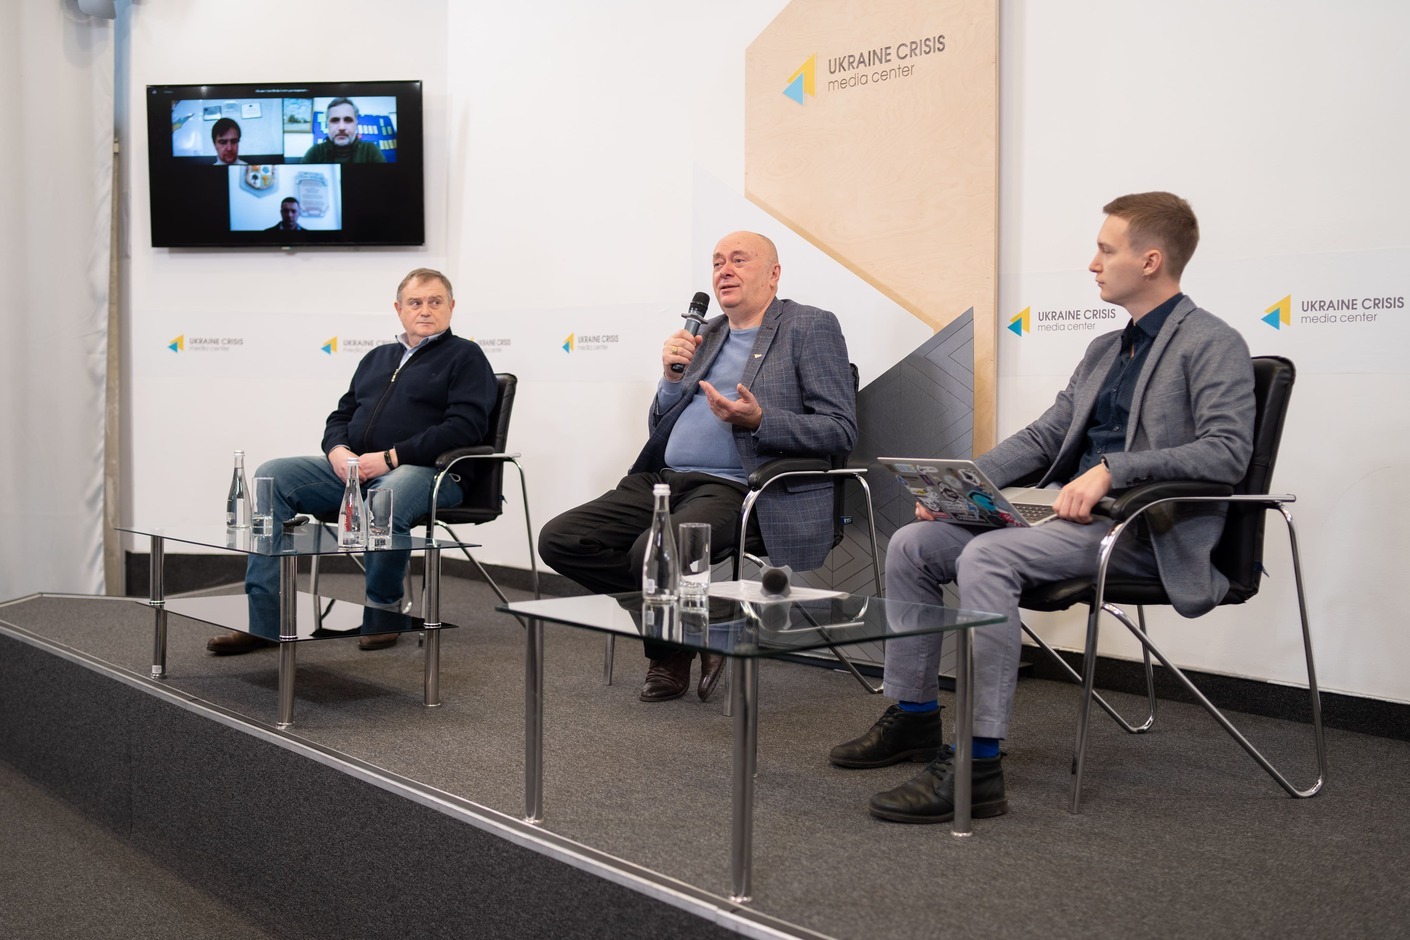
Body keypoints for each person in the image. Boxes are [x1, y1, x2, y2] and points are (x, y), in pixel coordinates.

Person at [829, 192, 1255, 823]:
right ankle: (915, 715)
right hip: (1071, 521)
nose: (1093, 263)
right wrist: (964, 490)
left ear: (1150, 261)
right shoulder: (1106, 349)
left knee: (988, 558)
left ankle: (979, 764)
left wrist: (1114, 470)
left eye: (1106, 250)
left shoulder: (1212, 342)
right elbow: (1043, 438)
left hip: (1141, 530)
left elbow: (1227, 452)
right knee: (914, 545)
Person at [538, 231, 857, 703]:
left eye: (739, 260)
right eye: (717, 261)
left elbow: (839, 429)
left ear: (773, 274)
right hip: (664, 480)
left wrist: (760, 419)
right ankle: (699, 621)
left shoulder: (809, 326)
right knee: (561, 539)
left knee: (653, 553)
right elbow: (661, 424)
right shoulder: (704, 333)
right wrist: (670, 379)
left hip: (737, 487)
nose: (724, 270)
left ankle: (667, 655)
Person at [207, 268, 497, 654]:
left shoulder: (466, 356)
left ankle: (383, 614)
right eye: (415, 302)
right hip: (357, 470)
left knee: (384, 498)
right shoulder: (377, 357)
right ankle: (264, 621)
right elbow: (340, 416)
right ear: (399, 309)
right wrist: (337, 452)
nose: (425, 310)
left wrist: (391, 458)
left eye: (435, 301)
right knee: (272, 475)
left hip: (433, 473)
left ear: (451, 306)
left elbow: (465, 426)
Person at [301, 97, 387, 164]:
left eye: (348, 120)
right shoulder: (315, 152)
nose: (341, 127)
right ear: (327, 124)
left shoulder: (370, 151)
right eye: (335, 120)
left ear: (356, 124)